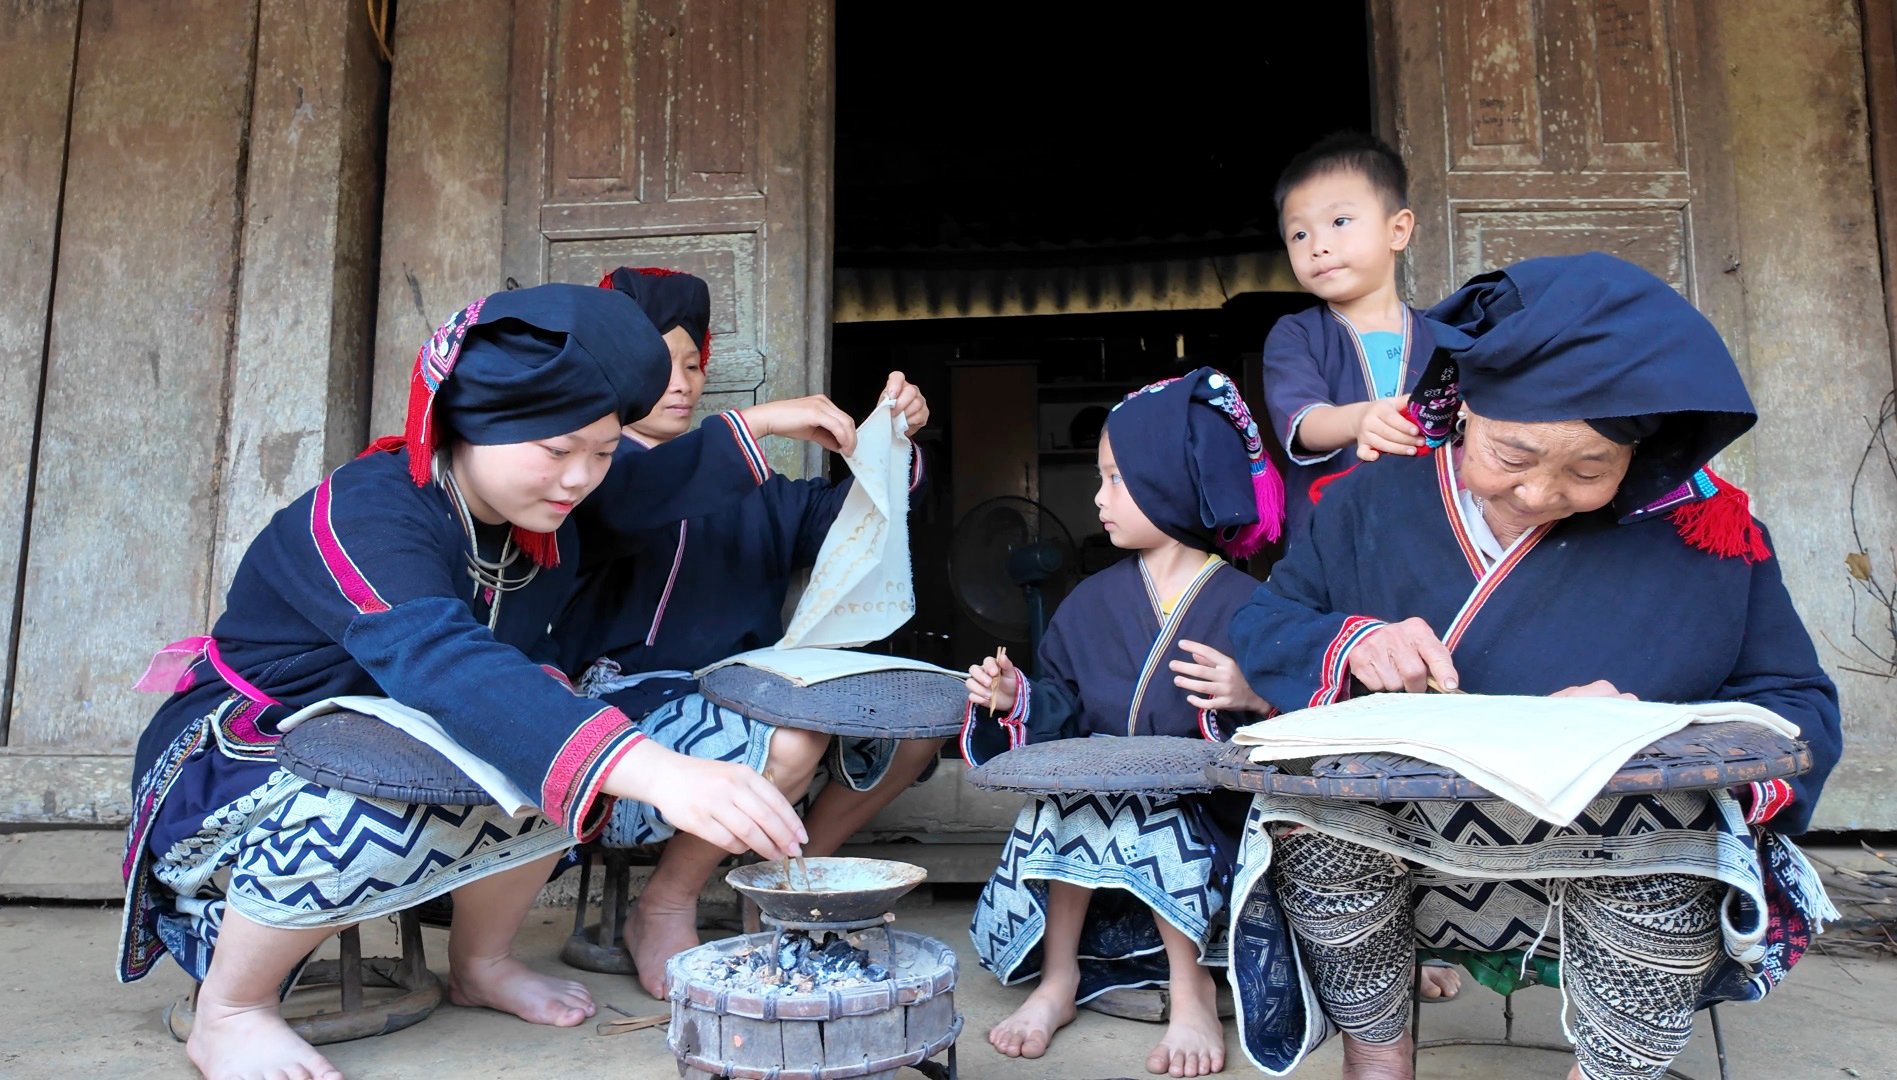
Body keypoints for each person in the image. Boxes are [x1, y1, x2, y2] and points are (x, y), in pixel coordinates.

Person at [117, 284, 853, 1080]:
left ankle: (482, 962)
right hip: (249, 756)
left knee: (550, 745)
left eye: (603, 451)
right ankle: (231, 1009)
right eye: (558, 449)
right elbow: (444, 664)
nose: (580, 478)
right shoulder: (369, 511)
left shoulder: (541, 510)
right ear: (471, 426)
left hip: (409, 737)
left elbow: (645, 492)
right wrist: (658, 769)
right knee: (495, 754)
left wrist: (764, 425)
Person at [1224, 253, 1844, 1080]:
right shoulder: (1373, 499)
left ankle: (1613, 1067)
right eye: (1511, 456)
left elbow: (1798, 703)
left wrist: (1656, 734)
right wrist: (1351, 642)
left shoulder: (1708, 533)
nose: (1538, 493)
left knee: (1664, 844)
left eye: (1589, 470)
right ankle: (1376, 1058)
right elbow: (1264, 622)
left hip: (1616, 849)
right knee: (1310, 829)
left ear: (1640, 449)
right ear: (1465, 406)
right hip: (1406, 839)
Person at [558, 266, 942, 999]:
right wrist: (753, 426)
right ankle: (664, 904)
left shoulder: (757, 489)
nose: (679, 383)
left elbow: (846, 531)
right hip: (629, 708)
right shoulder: (586, 478)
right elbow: (632, 506)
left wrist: (888, 443)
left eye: (693, 364)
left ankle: (780, 896)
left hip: (751, 694)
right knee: (791, 734)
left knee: (914, 726)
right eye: (655, 365)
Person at [962, 368, 1282, 1078]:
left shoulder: (1249, 603)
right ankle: (1058, 977)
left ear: (1169, 481)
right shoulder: (1089, 602)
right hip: (1092, 827)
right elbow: (1062, 711)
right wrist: (1014, 697)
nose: (1097, 498)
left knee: (1146, 801)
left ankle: (1191, 984)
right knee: (1082, 780)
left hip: (1210, 820)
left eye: (1114, 479)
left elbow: (1298, 723)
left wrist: (1253, 696)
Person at [1260, 131, 1432, 541]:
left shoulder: (1445, 336)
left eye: (1339, 222)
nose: (1317, 246)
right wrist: (1360, 419)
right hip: (1333, 538)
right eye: (1299, 235)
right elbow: (1304, 425)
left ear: (1398, 230)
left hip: (1431, 535)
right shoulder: (1297, 334)